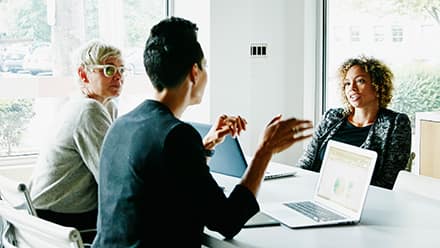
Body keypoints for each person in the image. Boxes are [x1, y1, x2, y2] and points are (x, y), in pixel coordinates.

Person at [92, 17, 313, 247]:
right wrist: (264, 151)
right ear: (194, 72)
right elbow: (227, 221)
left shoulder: (123, 124)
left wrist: (204, 148)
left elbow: (176, 186)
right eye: (205, 66)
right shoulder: (177, 136)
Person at [29, 40, 126, 242]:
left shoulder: (104, 106)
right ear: (83, 75)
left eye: (121, 70)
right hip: (58, 221)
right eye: (108, 70)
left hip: (45, 215)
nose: (118, 76)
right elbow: (112, 178)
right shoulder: (88, 110)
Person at [297, 55, 411, 190]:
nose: (352, 88)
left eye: (360, 81)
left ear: (378, 86)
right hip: (316, 192)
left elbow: (389, 181)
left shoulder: (396, 123)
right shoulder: (332, 117)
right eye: (347, 83)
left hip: (364, 203)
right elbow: (306, 163)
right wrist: (298, 187)